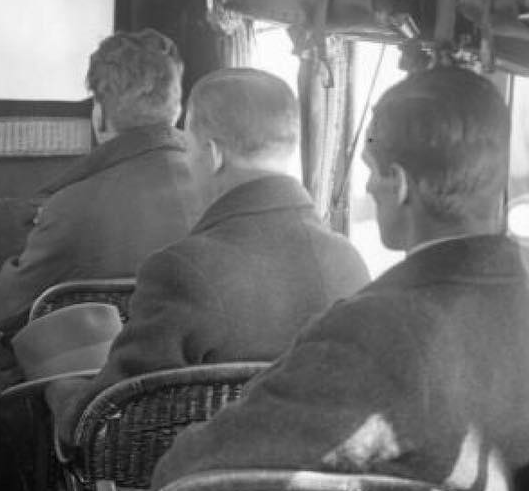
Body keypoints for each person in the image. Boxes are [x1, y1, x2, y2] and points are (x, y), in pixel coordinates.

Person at [152, 65, 529, 491]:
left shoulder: (377, 332)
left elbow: (193, 470)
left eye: (371, 171)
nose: (366, 185)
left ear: (400, 185)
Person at [51, 68, 369, 438]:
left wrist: (62, 395)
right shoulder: (351, 262)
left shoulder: (182, 269)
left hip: (196, 489)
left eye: (187, 146)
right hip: (319, 490)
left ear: (213, 154)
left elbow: (106, 420)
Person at [0, 29, 207, 332]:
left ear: (99, 115)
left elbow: (6, 311)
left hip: (101, 376)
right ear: (177, 110)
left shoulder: (70, 207)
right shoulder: (222, 194)